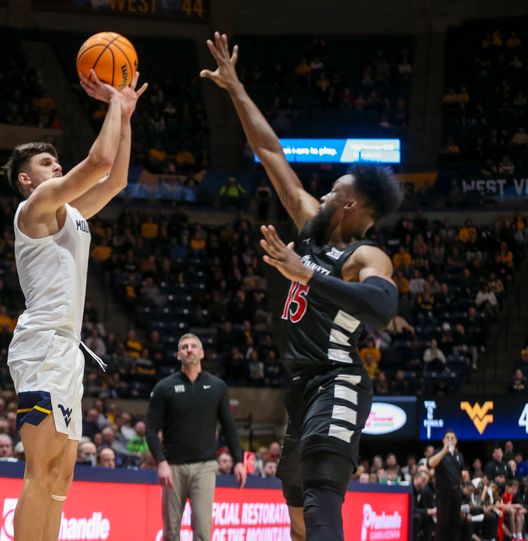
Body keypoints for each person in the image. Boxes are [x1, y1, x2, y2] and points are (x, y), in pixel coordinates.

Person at [201, 32, 402, 541]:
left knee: (319, 487)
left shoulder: (366, 256)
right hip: (300, 387)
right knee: (294, 506)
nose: (328, 188)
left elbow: (383, 304)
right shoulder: (312, 222)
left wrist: (308, 274)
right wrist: (236, 88)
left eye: (337, 187)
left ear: (352, 204)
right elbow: (270, 152)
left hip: (340, 379)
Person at [3, 65, 146, 541]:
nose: (56, 166)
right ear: (27, 179)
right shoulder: (36, 206)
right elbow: (99, 164)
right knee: (39, 470)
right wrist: (112, 103)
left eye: (56, 160)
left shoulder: (71, 214)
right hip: (41, 345)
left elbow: (117, 180)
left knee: (62, 477)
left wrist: (124, 117)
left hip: (67, 350)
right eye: (46, 164)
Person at [145, 333, 246, 541]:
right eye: (184, 347)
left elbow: (229, 427)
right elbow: (150, 430)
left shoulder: (217, 387)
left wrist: (238, 461)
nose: (189, 349)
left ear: (202, 353)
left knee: (202, 532)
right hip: (172, 468)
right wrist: (161, 462)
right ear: (178, 355)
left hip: (205, 467)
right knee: (171, 532)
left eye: (193, 346)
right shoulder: (164, 387)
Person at [428, 430, 464, 540]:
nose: (449, 440)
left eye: (452, 438)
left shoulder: (459, 455)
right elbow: (431, 463)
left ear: (456, 441)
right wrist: (444, 450)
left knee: (455, 523)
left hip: (456, 493)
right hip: (443, 493)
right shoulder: (438, 452)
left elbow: (460, 473)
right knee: (443, 523)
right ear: (443, 440)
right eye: (447, 438)